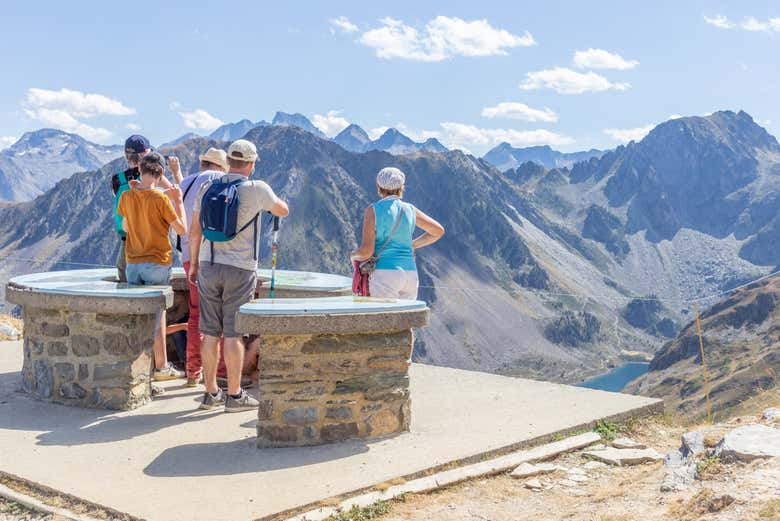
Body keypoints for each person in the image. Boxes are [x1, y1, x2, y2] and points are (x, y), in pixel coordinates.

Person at [188, 139, 289, 412]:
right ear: (252, 163)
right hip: (241, 269)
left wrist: (195, 264)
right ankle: (234, 396)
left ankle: (210, 393)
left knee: (209, 333)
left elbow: (194, 231)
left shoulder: (209, 187)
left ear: (229, 161)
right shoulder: (258, 189)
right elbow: (283, 210)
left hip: (209, 264)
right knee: (233, 335)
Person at [117, 152, 187, 381]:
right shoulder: (161, 199)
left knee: (137, 318)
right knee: (157, 317)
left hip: (133, 263)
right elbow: (181, 229)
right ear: (160, 173)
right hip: (157, 262)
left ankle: (138, 372)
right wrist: (177, 200)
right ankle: (161, 367)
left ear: (140, 171)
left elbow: (126, 228)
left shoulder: (126, 196)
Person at [350, 167, 445, 299]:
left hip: (385, 274)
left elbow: (366, 252)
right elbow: (437, 231)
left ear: (378, 186)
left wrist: (353, 255)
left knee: (382, 318)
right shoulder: (410, 209)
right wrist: (412, 245)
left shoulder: (373, 210)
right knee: (406, 318)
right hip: (410, 274)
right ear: (401, 187)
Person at [178, 148, 229, 387]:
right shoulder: (222, 181)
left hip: (188, 257)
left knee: (195, 315)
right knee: (218, 318)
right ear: (220, 166)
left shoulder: (185, 183)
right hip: (214, 257)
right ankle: (219, 373)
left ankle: (192, 371)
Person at [111, 135, 177, 282]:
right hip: (152, 245)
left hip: (128, 243)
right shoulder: (153, 176)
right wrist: (176, 173)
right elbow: (175, 194)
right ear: (144, 155)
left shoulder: (117, 179)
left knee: (126, 288)